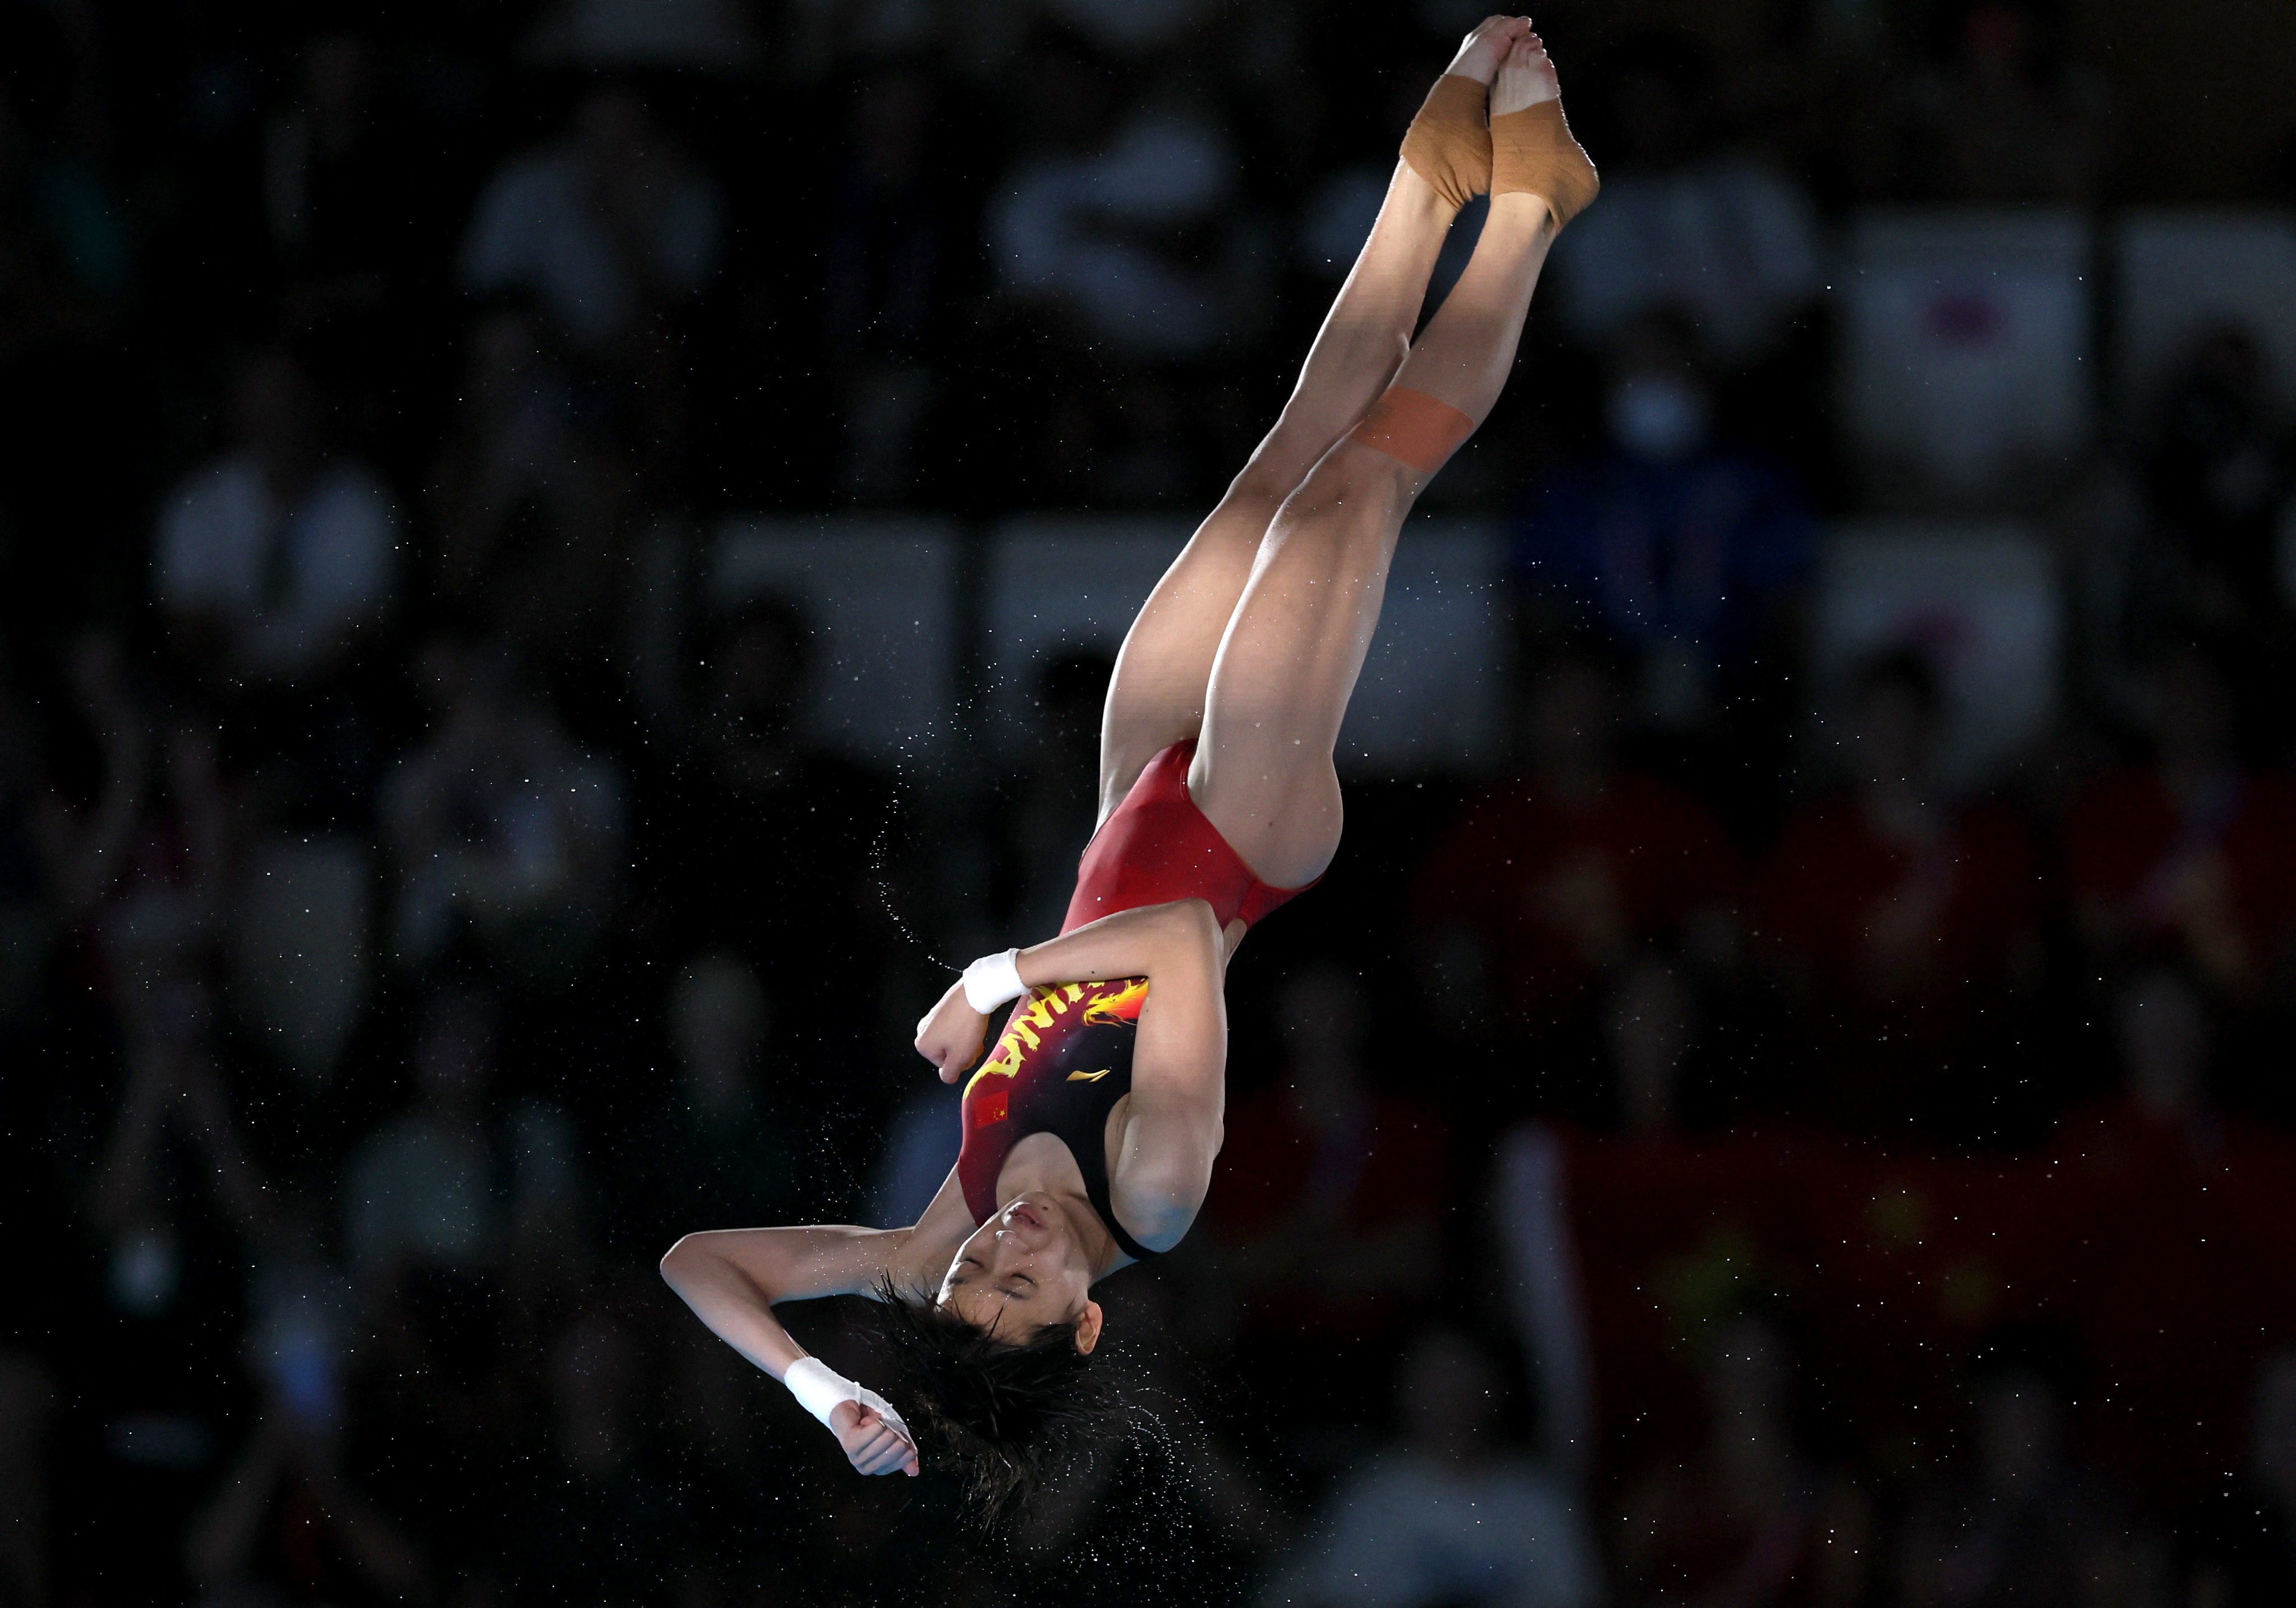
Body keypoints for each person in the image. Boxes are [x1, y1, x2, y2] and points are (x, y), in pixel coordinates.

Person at [661, 15, 1600, 1508]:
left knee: (1283, 456)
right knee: (1353, 498)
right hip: (1237, 841)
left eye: (967, 1278)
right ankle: (1537, 205)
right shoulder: (1154, 1191)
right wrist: (990, 980)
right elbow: (1168, 948)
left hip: (1128, 793)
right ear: (1088, 1320)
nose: (991, 1254)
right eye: (1022, 1290)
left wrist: (821, 1382)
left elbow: (697, 1263)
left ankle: (1428, 187)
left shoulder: (916, 1255)